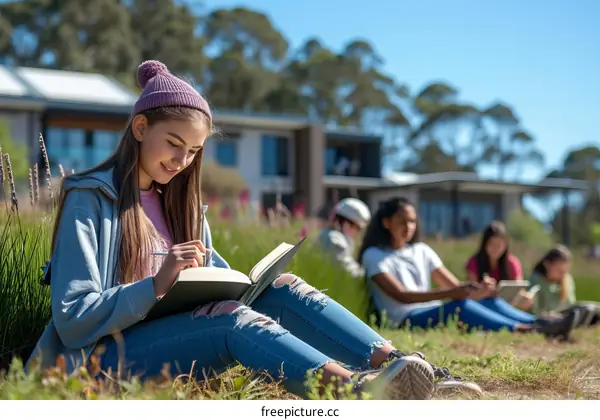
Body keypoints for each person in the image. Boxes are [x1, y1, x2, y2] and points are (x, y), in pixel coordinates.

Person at [26, 60, 471, 401]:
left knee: (282, 286)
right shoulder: (90, 198)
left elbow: (219, 286)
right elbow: (73, 318)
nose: (181, 163)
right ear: (141, 128)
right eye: (174, 145)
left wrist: (249, 283)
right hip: (98, 360)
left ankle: (406, 369)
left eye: (194, 152)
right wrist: (156, 285)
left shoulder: (180, 205)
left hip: (173, 338)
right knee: (230, 320)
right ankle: (351, 391)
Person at [358, 197, 578, 340]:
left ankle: (543, 323)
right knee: (460, 306)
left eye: (412, 222)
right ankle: (526, 330)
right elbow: (402, 296)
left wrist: (478, 290)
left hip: (432, 309)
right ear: (386, 222)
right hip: (405, 318)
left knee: (486, 300)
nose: (409, 227)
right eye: (402, 222)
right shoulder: (374, 255)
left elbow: (453, 286)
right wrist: (456, 293)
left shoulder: (422, 250)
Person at [528, 245, 599, 327]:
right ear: (546, 264)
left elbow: (570, 305)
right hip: (544, 321)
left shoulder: (567, 279)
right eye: (559, 271)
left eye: (565, 271)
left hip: (566, 318)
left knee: (589, 309)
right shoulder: (535, 281)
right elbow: (533, 311)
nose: (563, 274)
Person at [318, 197, 371, 278]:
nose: (358, 232)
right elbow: (349, 272)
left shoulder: (329, 235)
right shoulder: (335, 240)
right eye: (358, 228)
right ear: (346, 223)